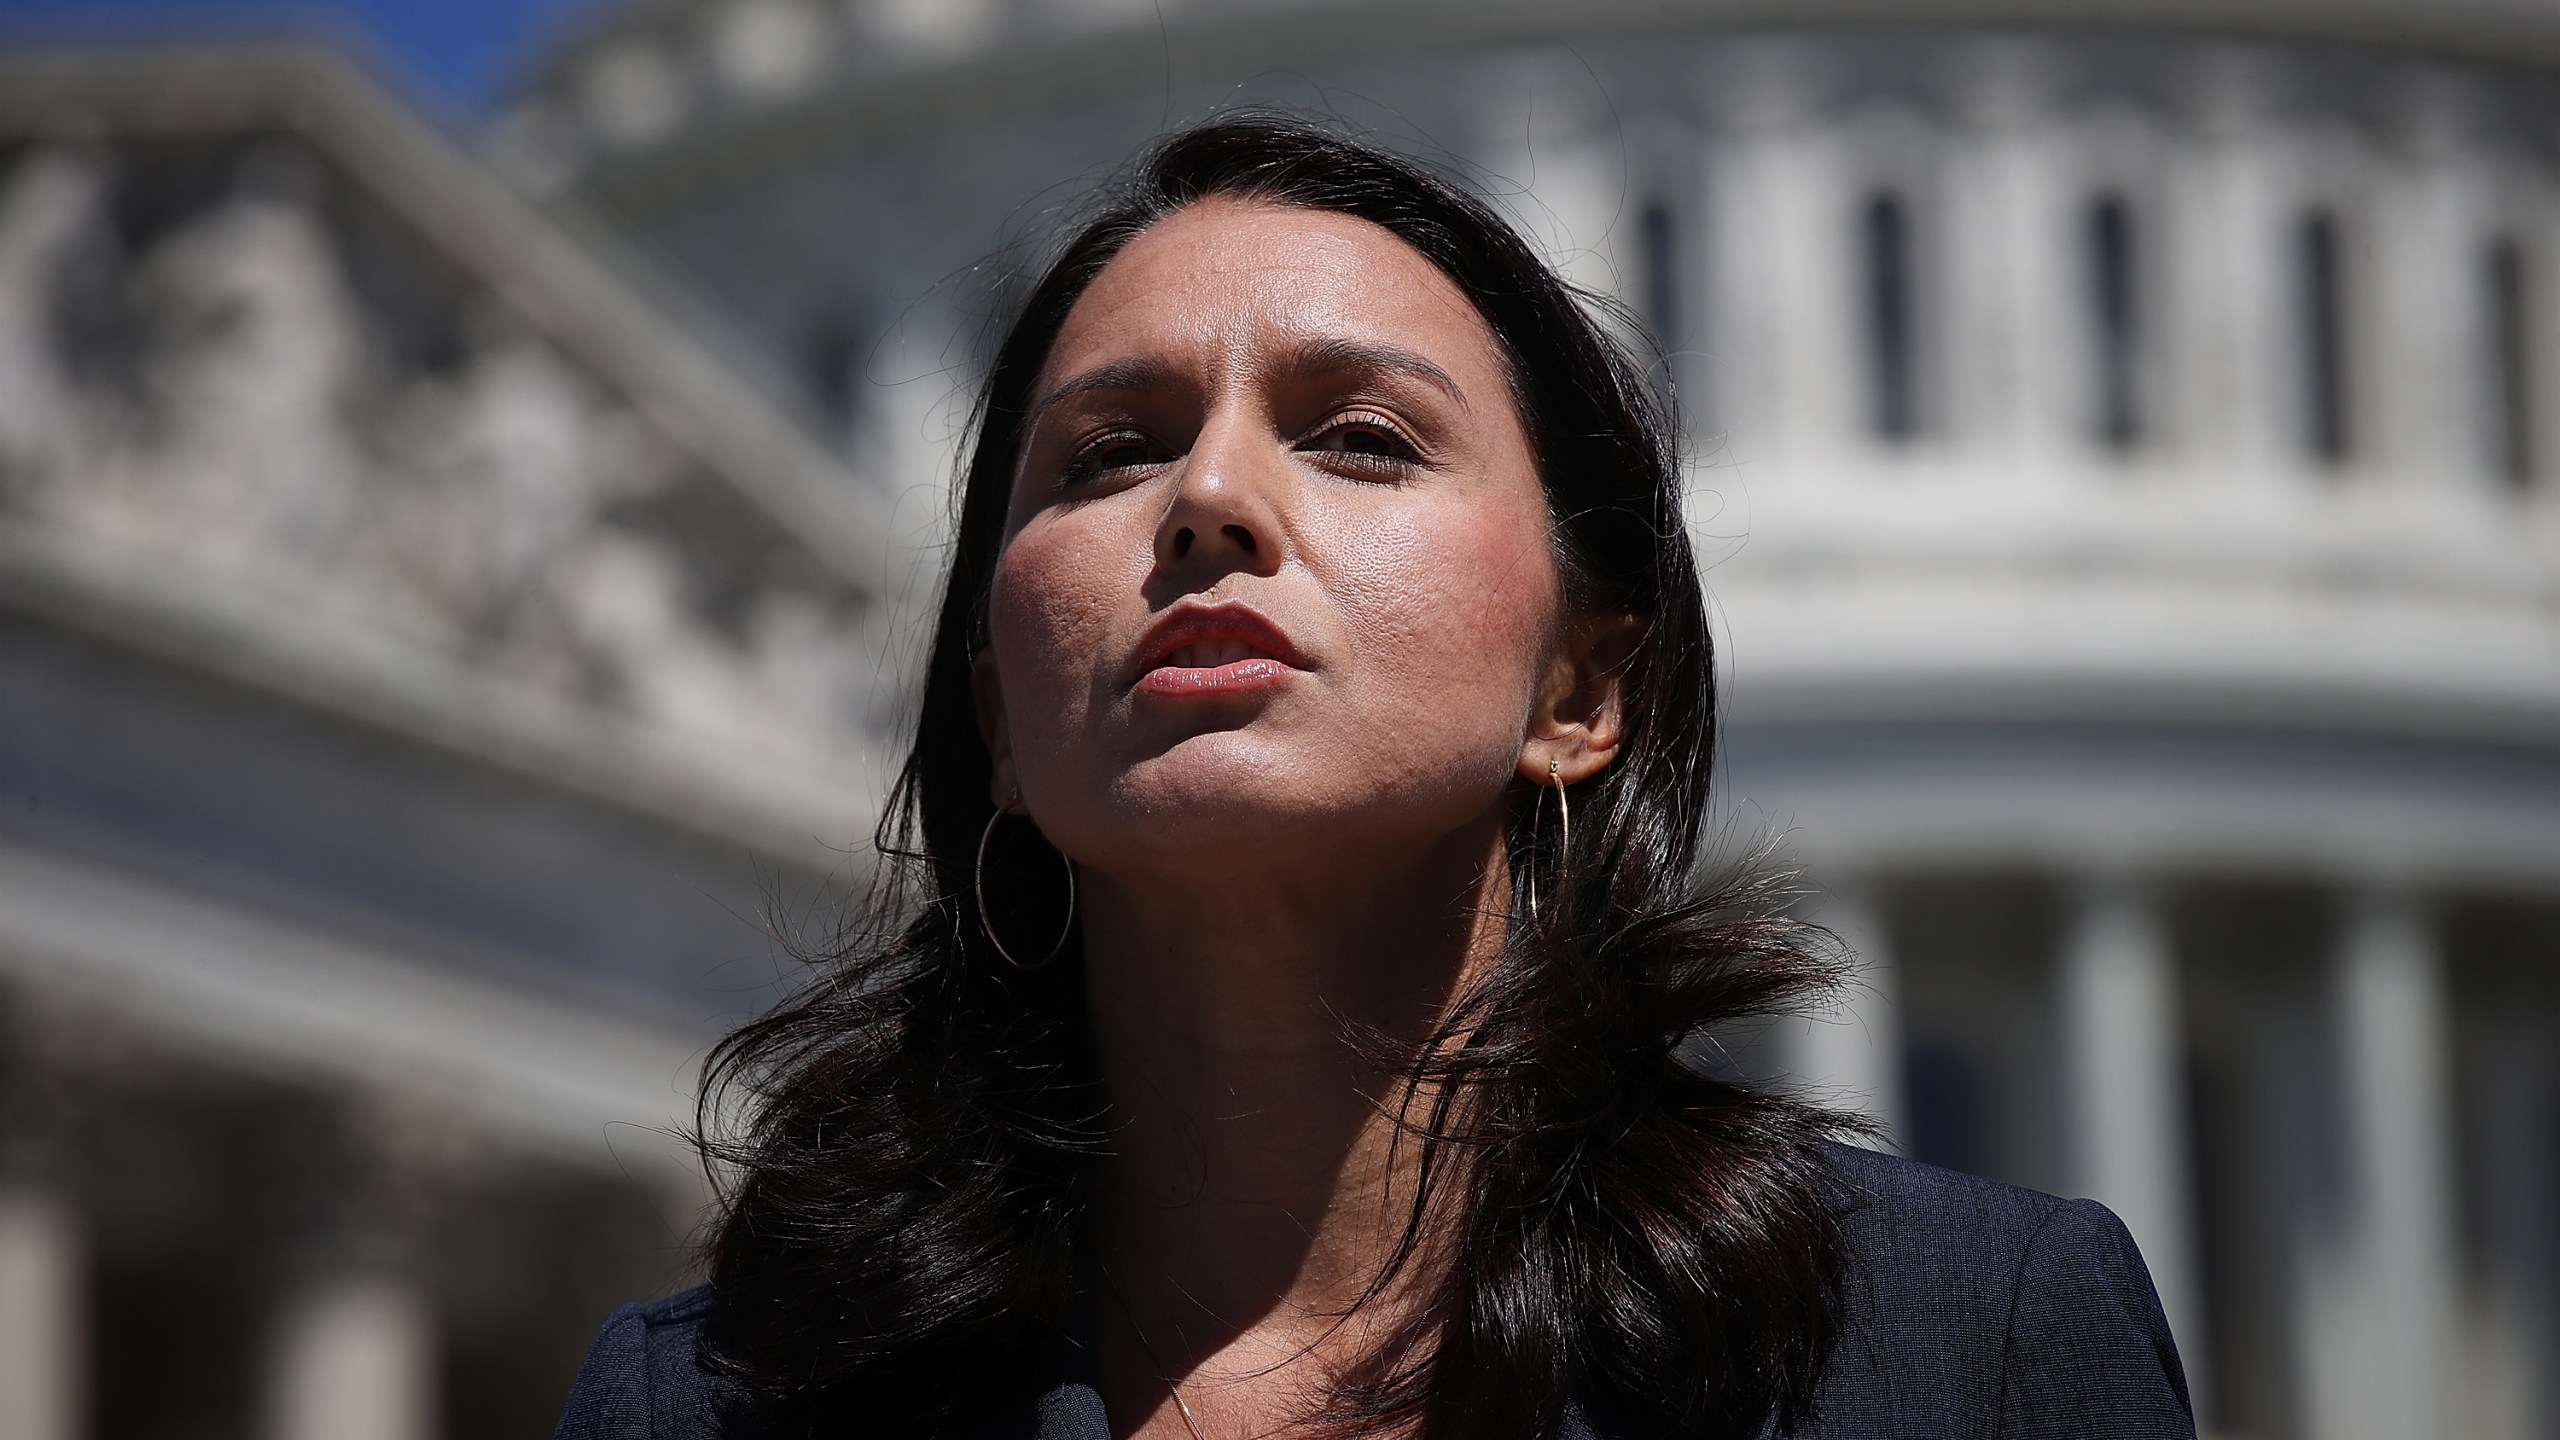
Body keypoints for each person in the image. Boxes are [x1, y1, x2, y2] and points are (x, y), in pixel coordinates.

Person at [554, 114, 2193, 1440]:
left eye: (1360, 436)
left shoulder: (1962, 1348)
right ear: (998, 717)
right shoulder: (713, 1407)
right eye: (1109, 451)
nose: (1208, 499)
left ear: (1580, 684)